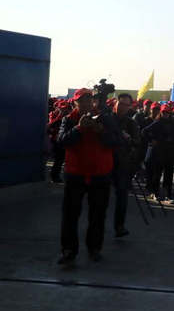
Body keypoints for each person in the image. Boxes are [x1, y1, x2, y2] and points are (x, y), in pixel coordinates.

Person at [57, 88, 120, 264]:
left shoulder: (106, 119)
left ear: (93, 102)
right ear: (75, 103)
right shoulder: (69, 120)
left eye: (87, 100)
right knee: (70, 215)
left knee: (98, 215)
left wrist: (100, 131)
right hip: (75, 174)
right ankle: (69, 250)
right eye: (80, 101)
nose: (84, 104)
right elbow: (62, 142)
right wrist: (79, 128)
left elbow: (116, 142)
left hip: (100, 175)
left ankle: (94, 248)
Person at [111, 93, 140, 238]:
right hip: (105, 162)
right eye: (121, 104)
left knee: (122, 196)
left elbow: (137, 143)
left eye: (126, 105)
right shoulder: (107, 119)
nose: (123, 107)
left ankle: (119, 226)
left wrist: (127, 138)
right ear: (115, 103)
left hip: (122, 163)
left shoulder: (131, 123)